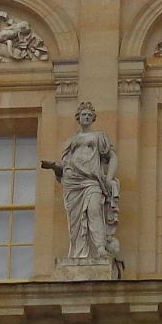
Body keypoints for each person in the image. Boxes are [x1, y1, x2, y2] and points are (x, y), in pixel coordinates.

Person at [44, 101, 122, 267]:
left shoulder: (99, 136)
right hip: (73, 182)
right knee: (75, 221)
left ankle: (100, 248)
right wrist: (54, 167)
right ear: (78, 118)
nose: (86, 117)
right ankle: (80, 253)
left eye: (89, 115)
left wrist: (109, 178)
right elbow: (65, 165)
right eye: (83, 115)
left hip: (92, 181)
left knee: (94, 210)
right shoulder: (71, 140)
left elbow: (113, 157)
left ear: (93, 118)